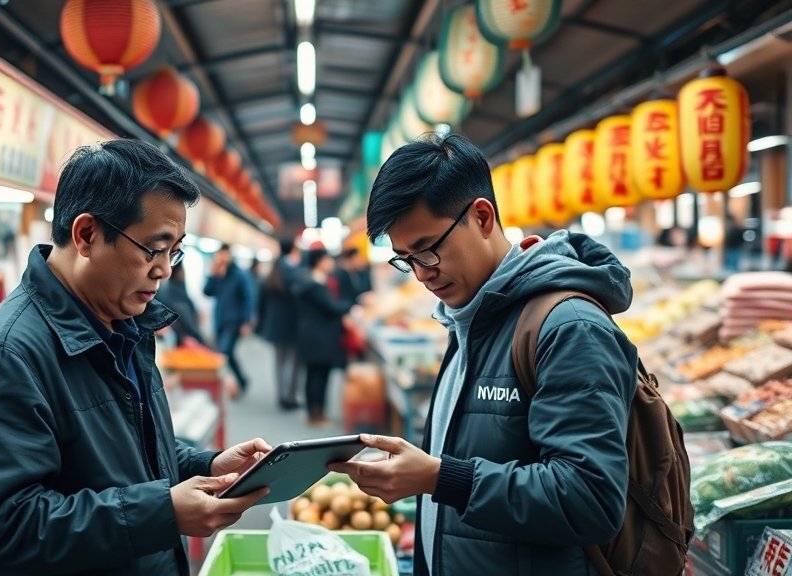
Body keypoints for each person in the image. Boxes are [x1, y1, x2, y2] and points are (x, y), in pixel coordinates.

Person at [0, 140, 270, 576]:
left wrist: (205, 465)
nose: (165, 270)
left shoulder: (126, 324)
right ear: (87, 235)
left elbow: (122, 450)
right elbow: (0, 527)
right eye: (154, 248)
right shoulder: (7, 355)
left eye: (175, 251)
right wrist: (162, 513)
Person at [329, 133, 637, 575]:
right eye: (405, 259)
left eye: (428, 249)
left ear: (482, 216)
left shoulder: (568, 326)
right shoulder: (471, 319)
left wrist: (438, 477)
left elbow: (589, 497)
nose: (422, 274)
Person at [293, 248, 354, 426]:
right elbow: (332, 307)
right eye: (328, 259)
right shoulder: (316, 285)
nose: (331, 263)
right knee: (320, 376)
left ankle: (312, 412)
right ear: (319, 261)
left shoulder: (306, 281)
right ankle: (317, 415)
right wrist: (351, 305)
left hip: (310, 334)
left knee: (312, 374)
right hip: (320, 336)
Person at [258, 239, 305, 410]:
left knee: (279, 361)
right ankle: (289, 397)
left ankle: (281, 394)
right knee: (293, 362)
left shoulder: (274, 270)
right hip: (292, 323)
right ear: (293, 249)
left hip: (275, 324)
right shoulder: (295, 271)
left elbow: (262, 300)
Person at [204, 244, 255, 396]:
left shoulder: (239, 275)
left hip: (234, 321)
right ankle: (242, 379)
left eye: (225, 254)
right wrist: (213, 274)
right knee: (228, 353)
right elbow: (207, 292)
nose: (222, 258)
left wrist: (246, 321)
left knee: (224, 352)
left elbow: (248, 298)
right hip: (219, 320)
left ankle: (225, 384)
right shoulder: (218, 273)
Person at [156, 263, 209, 347]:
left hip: (190, 340)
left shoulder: (179, 289)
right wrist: (183, 338)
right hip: (184, 342)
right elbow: (177, 320)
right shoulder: (169, 293)